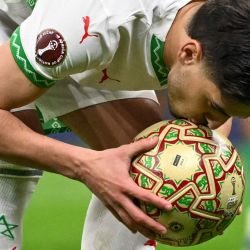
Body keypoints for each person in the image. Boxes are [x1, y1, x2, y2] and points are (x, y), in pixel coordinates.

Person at [0, 0, 249, 249]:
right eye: (214, 107)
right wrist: (83, 166)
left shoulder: (224, 24)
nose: (215, 124)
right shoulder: (98, 21)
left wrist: (216, 164)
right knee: (12, 154)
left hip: (69, 25)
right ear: (189, 53)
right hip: (19, 15)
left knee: (150, 173)